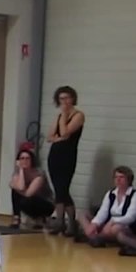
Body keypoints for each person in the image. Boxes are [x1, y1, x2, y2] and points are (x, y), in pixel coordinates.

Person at [45, 85, 84, 236]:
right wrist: (58, 135)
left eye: (67, 98)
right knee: (58, 189)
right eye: (61, 98)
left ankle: (70, 222)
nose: (64, 101)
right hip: (55, 155)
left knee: (63, 188)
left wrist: (65, 116)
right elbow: (49, 137)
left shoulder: (78, 115)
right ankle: (60, 221)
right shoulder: (59, 116)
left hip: (68, 155)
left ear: (73, 98)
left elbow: (65, 133)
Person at [8, 148, 53, 228]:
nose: (25, 161)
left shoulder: (39, 173)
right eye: (22, 158)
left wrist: (15, 187)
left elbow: (28, 193)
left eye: (27, 158)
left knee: (25, 197)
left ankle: (40, 218)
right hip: (28, 199)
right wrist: (21, 170)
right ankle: (16, 218)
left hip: (45, 203)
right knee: (15, 192)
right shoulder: (18, 172)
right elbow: (20, 187)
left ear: (32, 160)